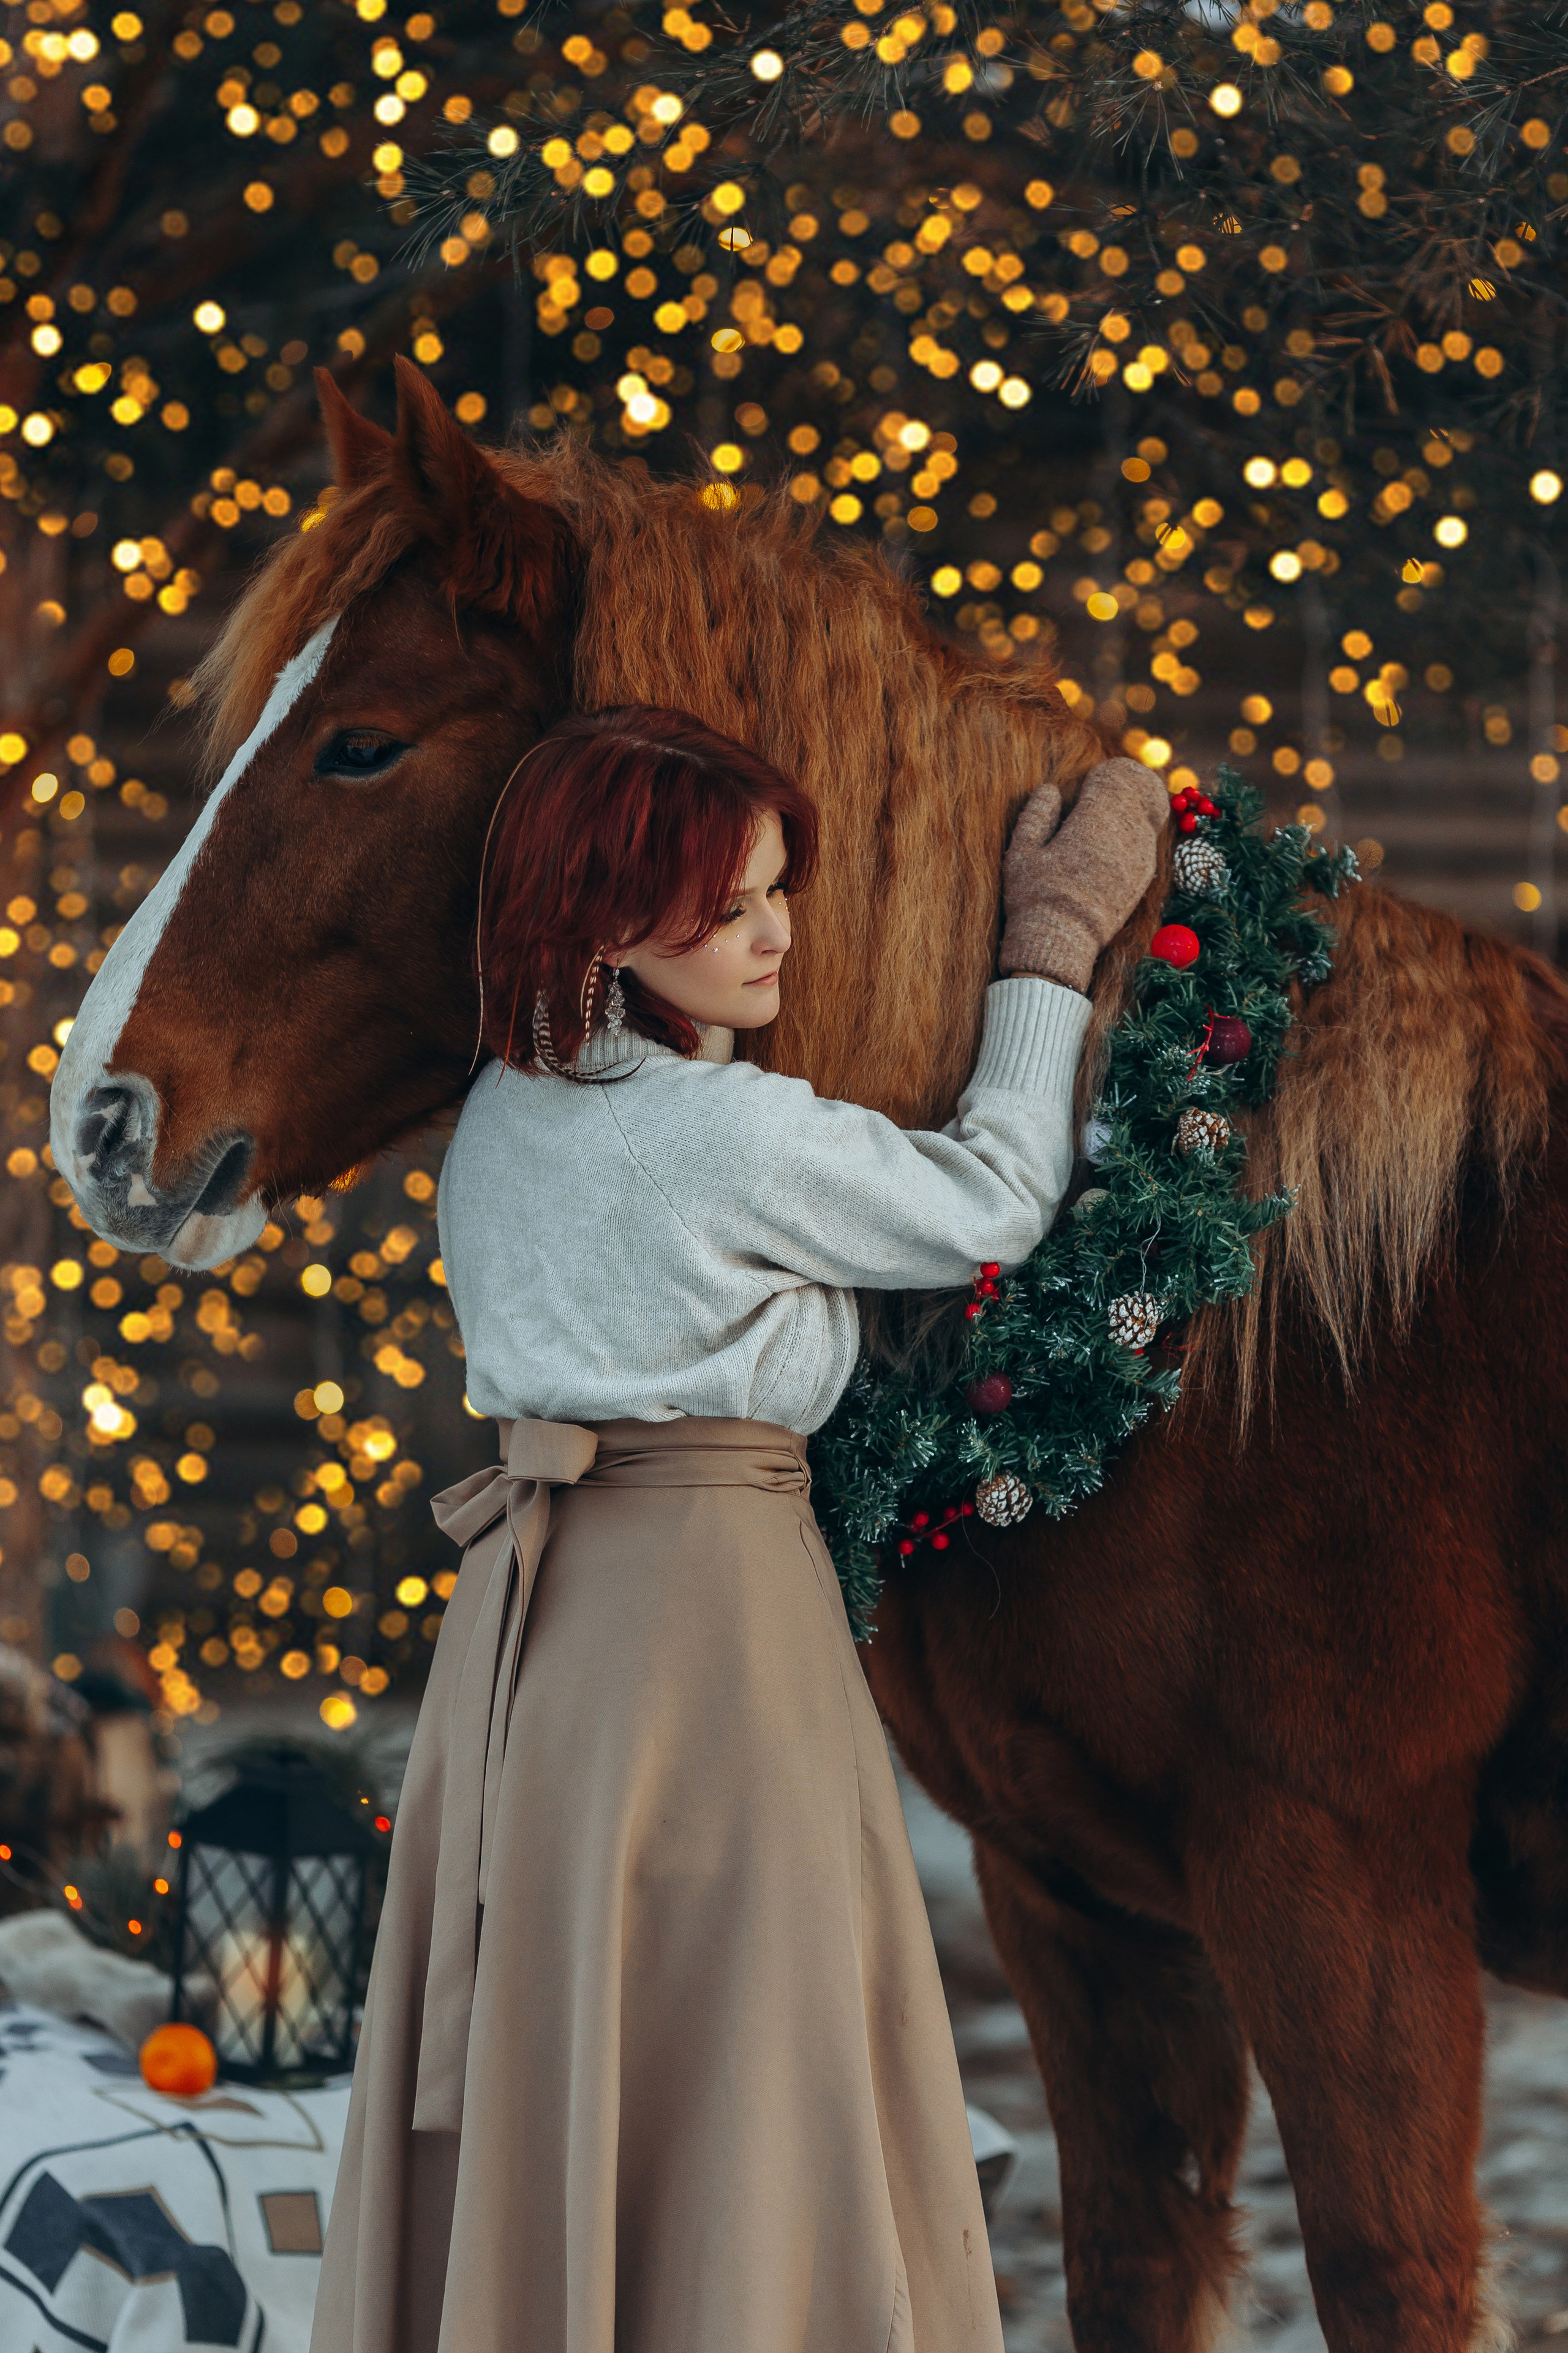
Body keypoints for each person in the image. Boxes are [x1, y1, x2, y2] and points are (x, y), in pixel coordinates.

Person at [309, 708, 1167, 2353]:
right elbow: (990, 1196)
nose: (779, 933)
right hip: (714, 1619)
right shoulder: (724, 1139)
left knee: (572, 2043)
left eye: (780, 889)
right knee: (759, 2058)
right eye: (734, 907)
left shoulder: (501, 1117)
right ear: (612, 923)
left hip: (536, 1642)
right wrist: (1049, 951)